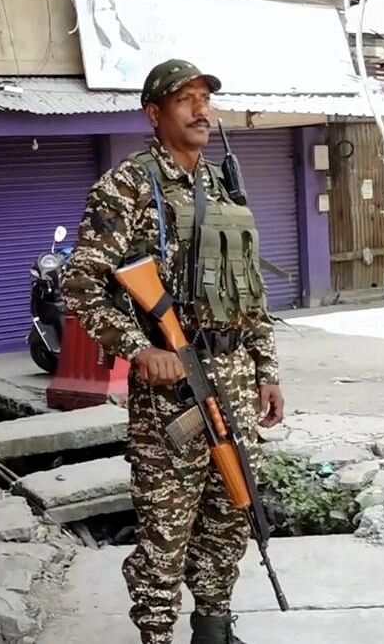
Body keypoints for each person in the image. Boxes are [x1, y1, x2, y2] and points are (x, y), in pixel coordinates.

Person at [61, 59, 285, 644]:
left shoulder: (221, 185)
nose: (200, 109)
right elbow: (80, 286)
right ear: (154, 113)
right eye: (184, 99)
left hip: (234, 378)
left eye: (205, 98)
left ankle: (213, 626)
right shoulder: (128, 186)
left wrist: (267, 369)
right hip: (172, 390)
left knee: (232, 511)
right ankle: (156, 635)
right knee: (166, 528)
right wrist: (139, 350)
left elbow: (247, 292)